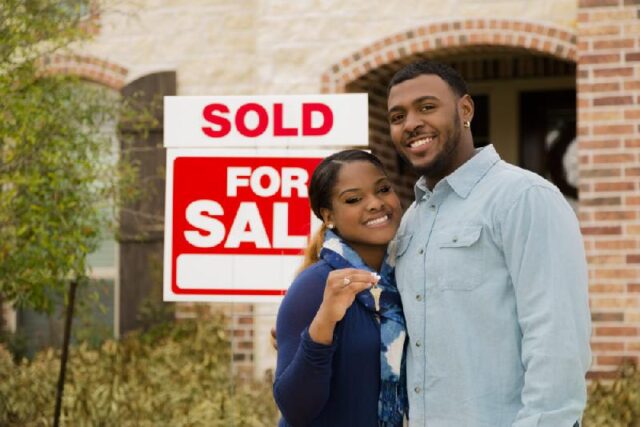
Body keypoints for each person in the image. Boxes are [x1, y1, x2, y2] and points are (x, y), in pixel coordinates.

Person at [385, 60, 591, 426]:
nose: (411, 123)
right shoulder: (412, 220)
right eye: (398, 116)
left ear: (465, 110)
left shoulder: (523, 197)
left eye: (427, 107)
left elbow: (557, 339)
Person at [273, 150, 408, 427]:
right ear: (328, 215)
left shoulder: (409, 279)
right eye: (354, 199)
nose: (375, 204)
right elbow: (295, 409)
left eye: (383, 189)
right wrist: (325, 320)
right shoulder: (315, 286)